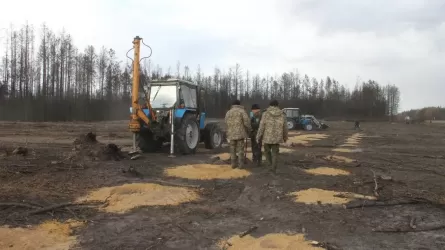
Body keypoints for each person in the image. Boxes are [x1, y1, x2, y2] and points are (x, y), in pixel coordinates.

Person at [256, 100, 288, 173]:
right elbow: (285, 127)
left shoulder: (265, 113)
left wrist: (258, 136)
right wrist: (285, 137)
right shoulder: (282, 114)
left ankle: (269, 165)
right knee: (275, 153)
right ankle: (274, 168)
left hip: (267, 137)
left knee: (267, 152)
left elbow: (261, 126)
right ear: (277, 105)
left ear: (269, 105)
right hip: (277, 138)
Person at [225, 100, 251, 169]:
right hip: (240, 134)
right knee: (240, 150)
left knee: (232, 149)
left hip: (231, 134)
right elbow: (246, 122)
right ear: (239, 104)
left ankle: (233, 164)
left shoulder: (228, 112)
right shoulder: (242, 111)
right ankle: (240, 165)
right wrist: (249, 129)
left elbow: (226, 121)